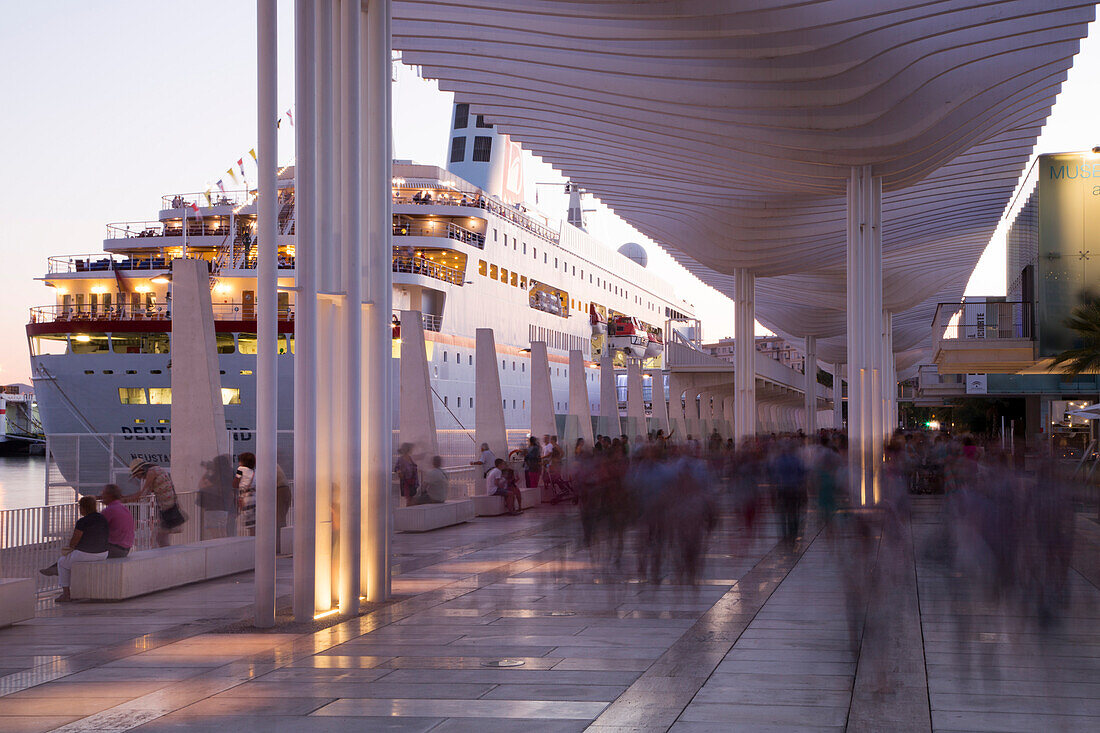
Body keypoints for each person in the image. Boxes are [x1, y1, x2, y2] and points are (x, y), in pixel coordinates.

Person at [43, 496, 109, 603]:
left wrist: (70, 547)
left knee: (62, 563)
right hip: (103, 553)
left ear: (83, 508)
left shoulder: (82, 522)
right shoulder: (102, 519)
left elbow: (74, 541)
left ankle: (66, 594)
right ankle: (77, 591)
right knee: (70, 562)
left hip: (86, 554)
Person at [125, 459, 185, 547]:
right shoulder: (157, 470)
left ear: (141, 470)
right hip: (168, 507)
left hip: (167, 508)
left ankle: (166, 558)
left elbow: (142, 493)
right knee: (162, 538)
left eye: (137, 475)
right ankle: (167, 557)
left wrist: (123, 499)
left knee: (160, 538)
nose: (139, 478)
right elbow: (145, 495)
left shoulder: (151, 473)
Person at [99, 484, 134, 558]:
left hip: (114, 549)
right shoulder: (124, 509)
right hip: (125, 549)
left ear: (110, 495)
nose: (101, 496)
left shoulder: (109, 510)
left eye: (103, 493)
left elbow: (95, 530)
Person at [234, 453, 257, 535]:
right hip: (254, 497)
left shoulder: (240, 469)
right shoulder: (253, 471)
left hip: (246, 498)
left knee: (250, 522)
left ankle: (252, 540)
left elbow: (236, 482)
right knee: (254, 522)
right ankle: (254, 538)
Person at [394, 443, 420, 507]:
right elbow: (396, 468)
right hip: (406, 483)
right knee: (409, 499)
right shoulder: (401, 459)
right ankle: (408, 512)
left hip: (412, 482)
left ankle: (409, 512)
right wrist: (400, 473)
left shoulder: (410, 458)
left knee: (411, 499)